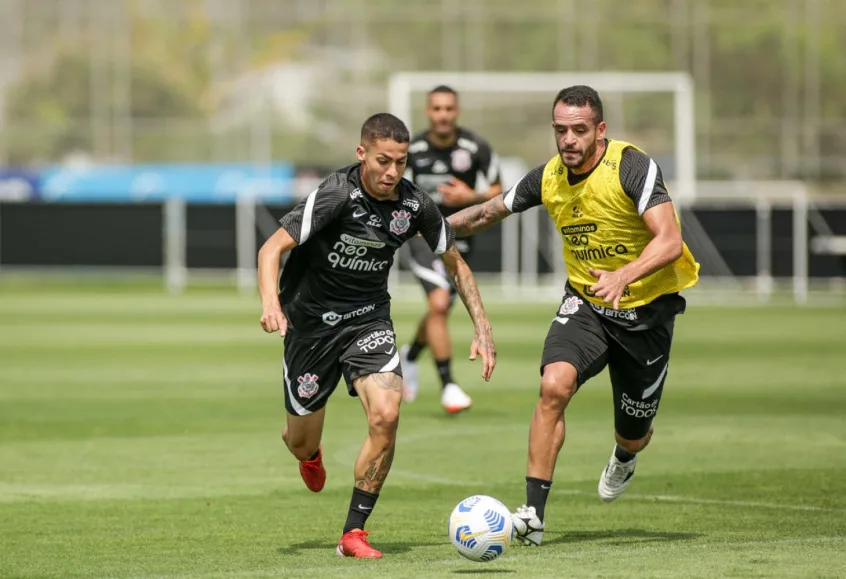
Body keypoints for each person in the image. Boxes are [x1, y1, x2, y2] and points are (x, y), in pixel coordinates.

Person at [446, 85, 700, 546]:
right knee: (553, 385)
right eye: (560, 130)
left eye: (579, 130)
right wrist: (433, 227)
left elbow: (670, 241)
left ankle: (625, 453)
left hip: (647, 314)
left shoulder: (631, 166)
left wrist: (624, 275)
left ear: (600, 130)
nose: (568, 139)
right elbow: (489, 212)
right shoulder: (546, 177)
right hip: (585, 305)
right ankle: (532, 517)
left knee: (635, 432)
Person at [257, 113, 496, 559]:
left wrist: (483, 327)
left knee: (387, 415)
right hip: (309, 330)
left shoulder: (413, 204)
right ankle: (308, 453)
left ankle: (354, 534)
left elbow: (455, 263)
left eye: (400, 163)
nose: (391, 172)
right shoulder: (334, 194)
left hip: (368, 322)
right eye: (383, 161)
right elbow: (271, 249)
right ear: (361, 153)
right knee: (301, 440)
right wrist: (271, 303)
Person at [400, 85, 503, 414]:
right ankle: (449, 387)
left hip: (459, 240)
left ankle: (410, 356)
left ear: (456, 112)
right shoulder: (413, 148)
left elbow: (500, 189)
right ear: (428, 112)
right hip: (422, 240)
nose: (443, 115)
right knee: (440, 304)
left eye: (448, 109)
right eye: (436, 109)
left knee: (437, 310)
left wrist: (470, 197)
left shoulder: (475, 147)